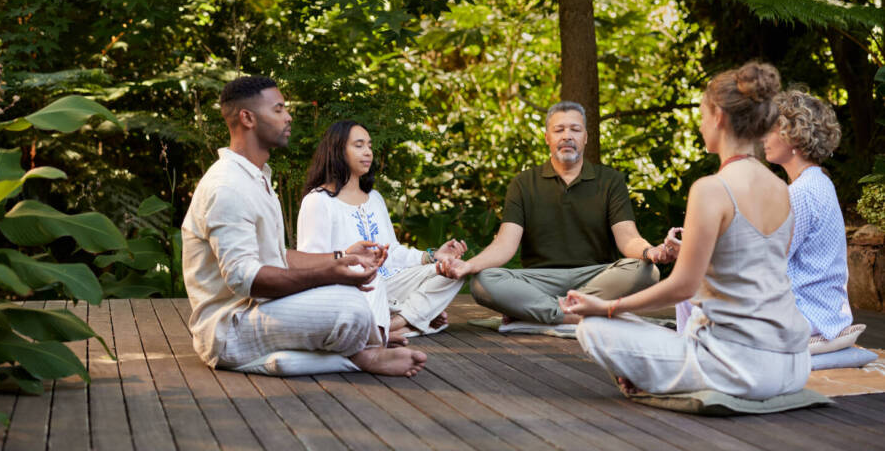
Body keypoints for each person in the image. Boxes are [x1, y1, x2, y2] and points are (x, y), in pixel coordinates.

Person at [561, 63, 811, 399]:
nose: (700, 123)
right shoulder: (781, 188)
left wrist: (606, 307)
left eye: (703, 113)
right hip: (794, 366)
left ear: (719, 116)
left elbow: (682, 287)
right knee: (640, 327)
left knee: (594, 327)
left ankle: (655, 378)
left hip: (739, 368)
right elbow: (753, 265)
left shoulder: (712, 188)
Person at [182, 76, 426, 377]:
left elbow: (277, 255)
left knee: (364, 278)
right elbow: (245, 279)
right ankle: (365, 356)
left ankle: (350, 349)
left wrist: (342, 259)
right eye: (278, 109)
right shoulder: (227, 186)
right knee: (350, 306)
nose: (288, 116)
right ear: (248, 118)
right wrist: (328, 274)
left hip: (263, 311)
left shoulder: (256, 178)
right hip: (231, 327)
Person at [437, 100, 674, 326]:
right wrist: (470, 266)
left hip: (597, 277)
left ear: (586, 138)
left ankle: (543, 313)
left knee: (645, 270)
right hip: (539, 281)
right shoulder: (523, 183)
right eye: (559, 129)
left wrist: (650, 251)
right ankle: (578, 312)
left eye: (575, 129)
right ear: (547, 138)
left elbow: (628, 238)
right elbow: (504, 246)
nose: (567, 136)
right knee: (483, 281)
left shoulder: (610, 180)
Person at [297, 120, 467, 337]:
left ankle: (395, 324)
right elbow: (312, 263)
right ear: (337, 150)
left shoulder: (374, 198)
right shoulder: (318, 201)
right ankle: (413, 320)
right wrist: (351, 262)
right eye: (359, 145)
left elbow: (392, 251)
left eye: (369, 146)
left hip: (391, 283)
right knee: (371, 277)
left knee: (455, 269)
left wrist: (433, 256)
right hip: (352, 288)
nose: (368, 152)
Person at [763, 89, 852, 340]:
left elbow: (768, 261)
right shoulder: (820, 181)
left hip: (807, 315)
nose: (763, 137)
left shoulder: (800, 193)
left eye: (770, 129)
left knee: (697, 295)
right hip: (827, 312)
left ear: (793, 136)